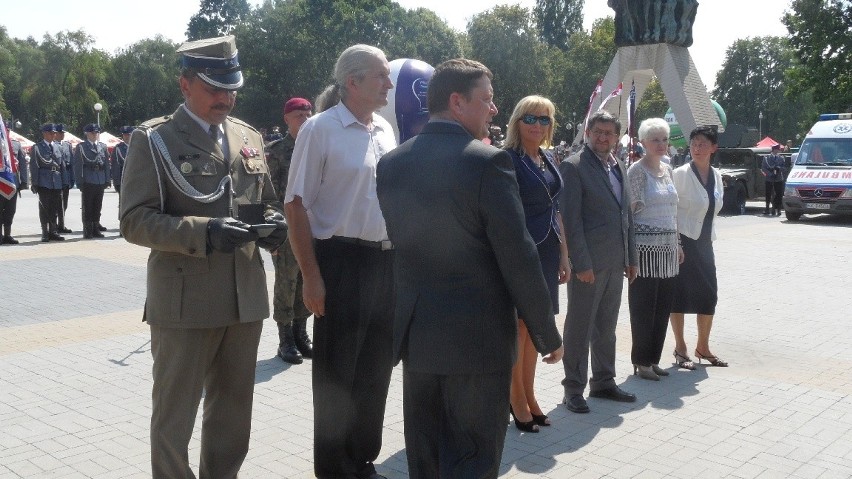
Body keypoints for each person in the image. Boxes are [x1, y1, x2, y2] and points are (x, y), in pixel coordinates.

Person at [376, 58, 563, 478]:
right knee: (473, 458)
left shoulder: (392, 162)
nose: (494, 110)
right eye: (487, 100)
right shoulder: (487, 162)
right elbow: (517, 254)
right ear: (457, 102)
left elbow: (404, 247)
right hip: (476, 340)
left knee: (426, 457)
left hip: (419, 336)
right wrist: (545, 332)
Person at [119, 35, 285, 478]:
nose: (225, 98)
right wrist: (204, 231)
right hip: (185, 301)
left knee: (233, 416)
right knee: (174, 419)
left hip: (243, 299)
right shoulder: (154, 139)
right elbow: (134, 221)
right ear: (184, 85)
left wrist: (273, 225)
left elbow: (264, 199)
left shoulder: (247, 135)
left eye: (231, 89)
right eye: (214, 88)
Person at [284, 44, 397, 479]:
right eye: (381, 76)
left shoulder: (384, 129)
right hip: (341, 262)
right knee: (337, 375)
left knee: (375, 370)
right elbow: (296, 207)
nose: (389, 83)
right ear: (353, 81)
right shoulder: (321, 129)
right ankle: (334, 469)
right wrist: (311, 276)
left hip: (385, 263)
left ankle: (363, 458)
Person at [558, 110, 638, 414]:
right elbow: (570, 219)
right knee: (579, 326)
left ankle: (603, 381)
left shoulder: (618, 165)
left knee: (606, 325)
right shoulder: (574, 166)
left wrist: (630, 257)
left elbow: (626, 215)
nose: (603, 137)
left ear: (616, 138)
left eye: (609, 133)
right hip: (588, 265)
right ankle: (573, 388)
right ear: (588, 133)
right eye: (598, 132)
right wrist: (581, 263)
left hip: (615, 261)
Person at [501, 95, 570, 433]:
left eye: (545, 119)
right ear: (517, 121)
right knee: (518, 327)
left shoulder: (546, 157)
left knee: (534, 327)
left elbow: (557, 210)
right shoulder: (507, 159)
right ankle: (515, 400)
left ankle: (529, 395)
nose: (538, 125)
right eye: (531, 118)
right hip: (520, 253)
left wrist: (564, 254)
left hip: (547, 252)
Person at [626, 118, 683, 381]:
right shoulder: (637, 172)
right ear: (643, 143)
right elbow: (629, 215)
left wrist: (679, 243)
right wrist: (630, 254)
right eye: (655, 139)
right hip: (645, 251)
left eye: (664, 139)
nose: (661, 144)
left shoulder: (669, 169)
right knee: (643, 308)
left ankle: (654, 359)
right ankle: (641, 361)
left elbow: (674, 211)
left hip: (669, 249)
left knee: (662, 307)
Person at [670, 126, 727, 369]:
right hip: (682, 244)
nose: (697, 148)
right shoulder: (680, 174)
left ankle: (703, 346)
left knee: (709, 295)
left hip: (705, 244)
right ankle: (681, 349)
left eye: (703, 143)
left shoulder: (716, 175)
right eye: (694, 143)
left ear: (714, 148)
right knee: (678, 296)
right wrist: (676, 242)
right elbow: (669, 208)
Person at [266, 97, 313, 364]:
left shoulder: (315, 146)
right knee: (286, 282)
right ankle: (285, 340)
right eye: (298, 115)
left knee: (306, 280)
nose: (305, 119)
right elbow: (267, 193)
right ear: (286, 119)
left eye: (308, 114)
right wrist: (273, 231)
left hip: (312, 226)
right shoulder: (276, 151)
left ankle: (301, 334)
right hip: (286, 229)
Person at [74, 123, 111, 238]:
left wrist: (107, 179)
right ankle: (88, 230)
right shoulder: (81, 147)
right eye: (92, 133)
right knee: (88, 206)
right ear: (87, 134)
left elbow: (106, 165)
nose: (95, 135)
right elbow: (78, 165)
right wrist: (80, 181)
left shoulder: (102, 146)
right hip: (88, 179)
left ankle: (96, 228)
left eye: (96, 133)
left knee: (97, 206)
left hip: (100, 179)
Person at [30, 123, 65, 242]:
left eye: (55, 133)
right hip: (44, 181)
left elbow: (62, 165)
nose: (53, 135)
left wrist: (64, 181)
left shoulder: (58, 147)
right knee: (45, 208)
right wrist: (34, 183)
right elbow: (34, 166)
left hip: (57, 181)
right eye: (51, 133)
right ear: (44, 133)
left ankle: (53, 231)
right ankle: (45, 232)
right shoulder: (37, 147)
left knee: (55, 208)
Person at [1, 125, 28, 244]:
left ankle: (7, 235)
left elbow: (22, 164)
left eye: (6, 129)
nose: (5, 131)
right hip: (1, 183)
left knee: (11, 210)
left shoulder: (16, 144)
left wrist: (24, 181)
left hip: (13, 183)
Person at [54, 124, 75, 234]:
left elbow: (71, 163)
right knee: (56, 202)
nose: (62, 135)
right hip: (57, 176)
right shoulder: (53, 145)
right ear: (55, 133)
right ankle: (54, 225)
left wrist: (72, 178)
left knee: (64, 203)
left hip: (66, 175)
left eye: (63, 133)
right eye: (60, 133)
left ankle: (62, 224)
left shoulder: (67, 145)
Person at [762, 144, 785, 216]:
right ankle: (767, 208)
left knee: (779, 194)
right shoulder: (766, 158)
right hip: (769, 178)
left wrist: (779, 169)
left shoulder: (781, 158)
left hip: (778, 178)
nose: (779, 150)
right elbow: (764, 168)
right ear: (774, 149)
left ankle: (778, 209)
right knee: (768, 194)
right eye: (778, 149)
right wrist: (770, 174)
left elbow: (784, 167)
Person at [110, 126, 133, 195]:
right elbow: (115, 166)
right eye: (124, 135)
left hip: (135, 180)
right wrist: (117, 182)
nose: (126, 137)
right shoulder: (118, 149)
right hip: (123, 180)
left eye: (128, 135)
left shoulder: (137, 147)